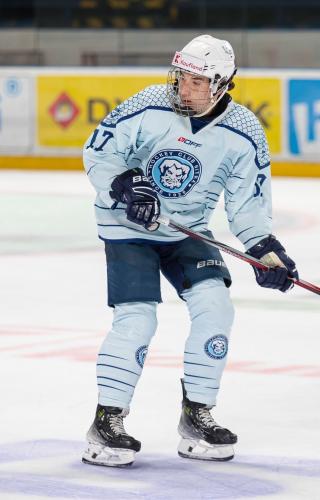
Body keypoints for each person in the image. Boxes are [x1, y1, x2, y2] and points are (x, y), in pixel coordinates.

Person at [81, 34, 299, 467]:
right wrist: (125, 183)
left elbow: (247, 204)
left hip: (188, 231)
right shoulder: (149, 103)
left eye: (197, 82)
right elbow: (99, 151)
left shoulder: (245, 132)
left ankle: (197, 414)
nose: (184, 88)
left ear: (221, 84)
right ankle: (106, 421)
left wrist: (264, 249)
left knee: (217, 308)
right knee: (138, 318)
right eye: (181, 77)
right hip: (127, 227)